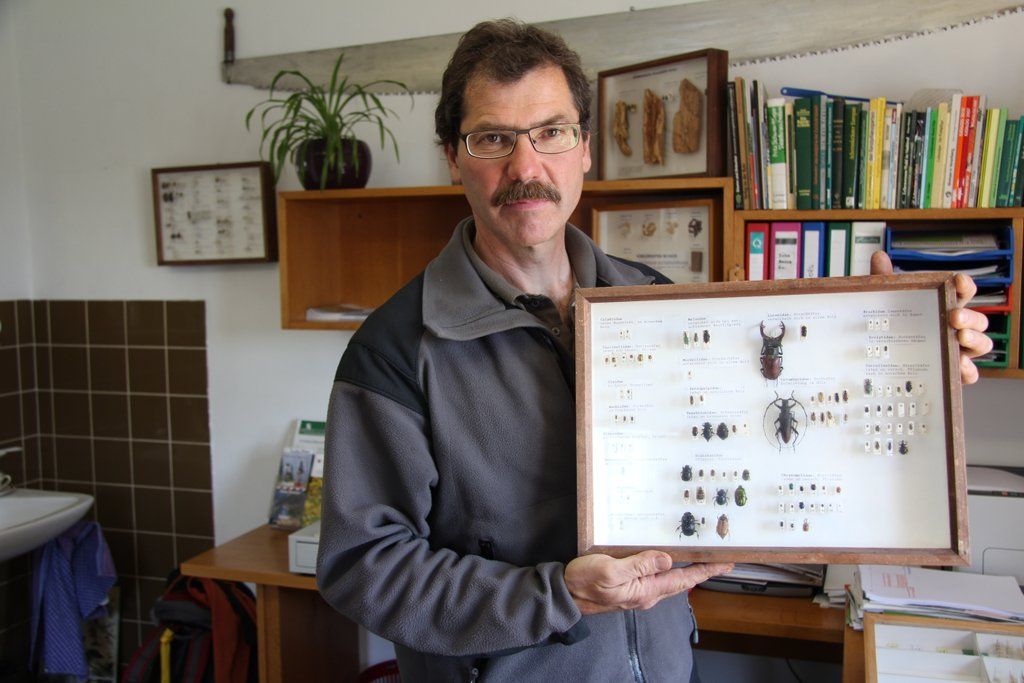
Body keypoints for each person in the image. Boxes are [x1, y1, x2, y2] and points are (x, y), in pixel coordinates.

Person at [317, 19, 992, 682]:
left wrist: (898, 358)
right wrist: (558, 594)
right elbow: (363, 568)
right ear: (453, 156)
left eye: (551, 132)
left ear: (585, 147)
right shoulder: (395, 349)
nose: (527, 167)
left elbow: (749, 429)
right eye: (493, 139)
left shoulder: (653, 305)